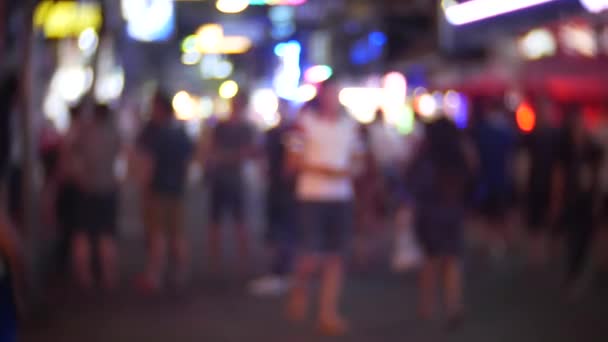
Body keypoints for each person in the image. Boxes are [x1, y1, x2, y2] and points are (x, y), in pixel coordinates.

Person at [285, 77, 363, 336]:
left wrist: (350, 170)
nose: (333, 99)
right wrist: (325, 171)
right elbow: (292, 160)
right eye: (329, 94)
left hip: (341, 198)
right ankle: (300, 286)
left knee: (336, 256)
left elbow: (357, 159)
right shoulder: (304, 124)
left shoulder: (349, 125)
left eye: (337, 94)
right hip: (312, 196)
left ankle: (327, 313)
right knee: (310, 256)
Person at [407, 117, 475, 329]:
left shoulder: (425, 156)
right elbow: (472, 181)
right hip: (452, 212)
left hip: (430, 213)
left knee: (430, 259)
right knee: (452, 260)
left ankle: (426, 305)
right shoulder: (459, 157)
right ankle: (453, 306)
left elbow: (413, 183)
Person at [135, 93, 194, 292]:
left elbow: (147, 163)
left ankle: (154, 275)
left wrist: (144, 186)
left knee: (157, 234)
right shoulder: (180, 131)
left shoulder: (152, 132)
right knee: (177, 234)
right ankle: (180, 273)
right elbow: (190, 160)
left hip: (158, 189)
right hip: (176, 188)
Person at [70, 104, 121, 290]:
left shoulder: (83, 134)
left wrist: (80, 177)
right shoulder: (114, 135)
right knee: (107, 234)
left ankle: (85, 277)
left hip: (86, 189)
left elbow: (72, 159)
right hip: (107, 188)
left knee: (82, 234)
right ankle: (108, 276)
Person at [204, 91, 256, 274]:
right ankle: (218, 262)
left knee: (235, 221)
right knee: (221, 221)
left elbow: (245, 153)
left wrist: (222, 157)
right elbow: (213, 151)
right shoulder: (227, 127)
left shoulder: (238, 128)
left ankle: (233, 262)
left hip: (231, 179)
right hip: (226, 178)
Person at [249, 102, 297, 296]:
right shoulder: (278, 133)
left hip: (283, 189)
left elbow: (287, 164)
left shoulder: (292, 133)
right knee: (280, 230)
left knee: (282, 230)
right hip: (278, 188)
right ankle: (282, 272)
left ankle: (281, 273)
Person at [555, 108, 603, 300]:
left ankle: (578, 272)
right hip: (571, 198)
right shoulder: (566, 148)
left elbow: (597, 175)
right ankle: (572, 273)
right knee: (573, 237)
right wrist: (557, 198)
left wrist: (597, 198)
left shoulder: (593, 149)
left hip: (587, 200)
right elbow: (559, 174)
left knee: (584, 237)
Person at [473, 101, 516, 258]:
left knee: (490, 215)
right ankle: (499, 243)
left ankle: (492, 243)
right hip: (500, 181)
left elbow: (475, 158)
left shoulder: (484, 130)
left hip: (488, 180)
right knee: (499, 214)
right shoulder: (506, 132)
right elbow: (511, 159)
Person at [521, 99, 561, 266]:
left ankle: (543, 253)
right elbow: (525, 160)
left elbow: (558, 164)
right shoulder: (532, 136)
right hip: (534, 182)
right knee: (534, 220)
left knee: (545, 219)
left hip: (546, 183)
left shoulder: (555, 136)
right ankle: (534, 254)